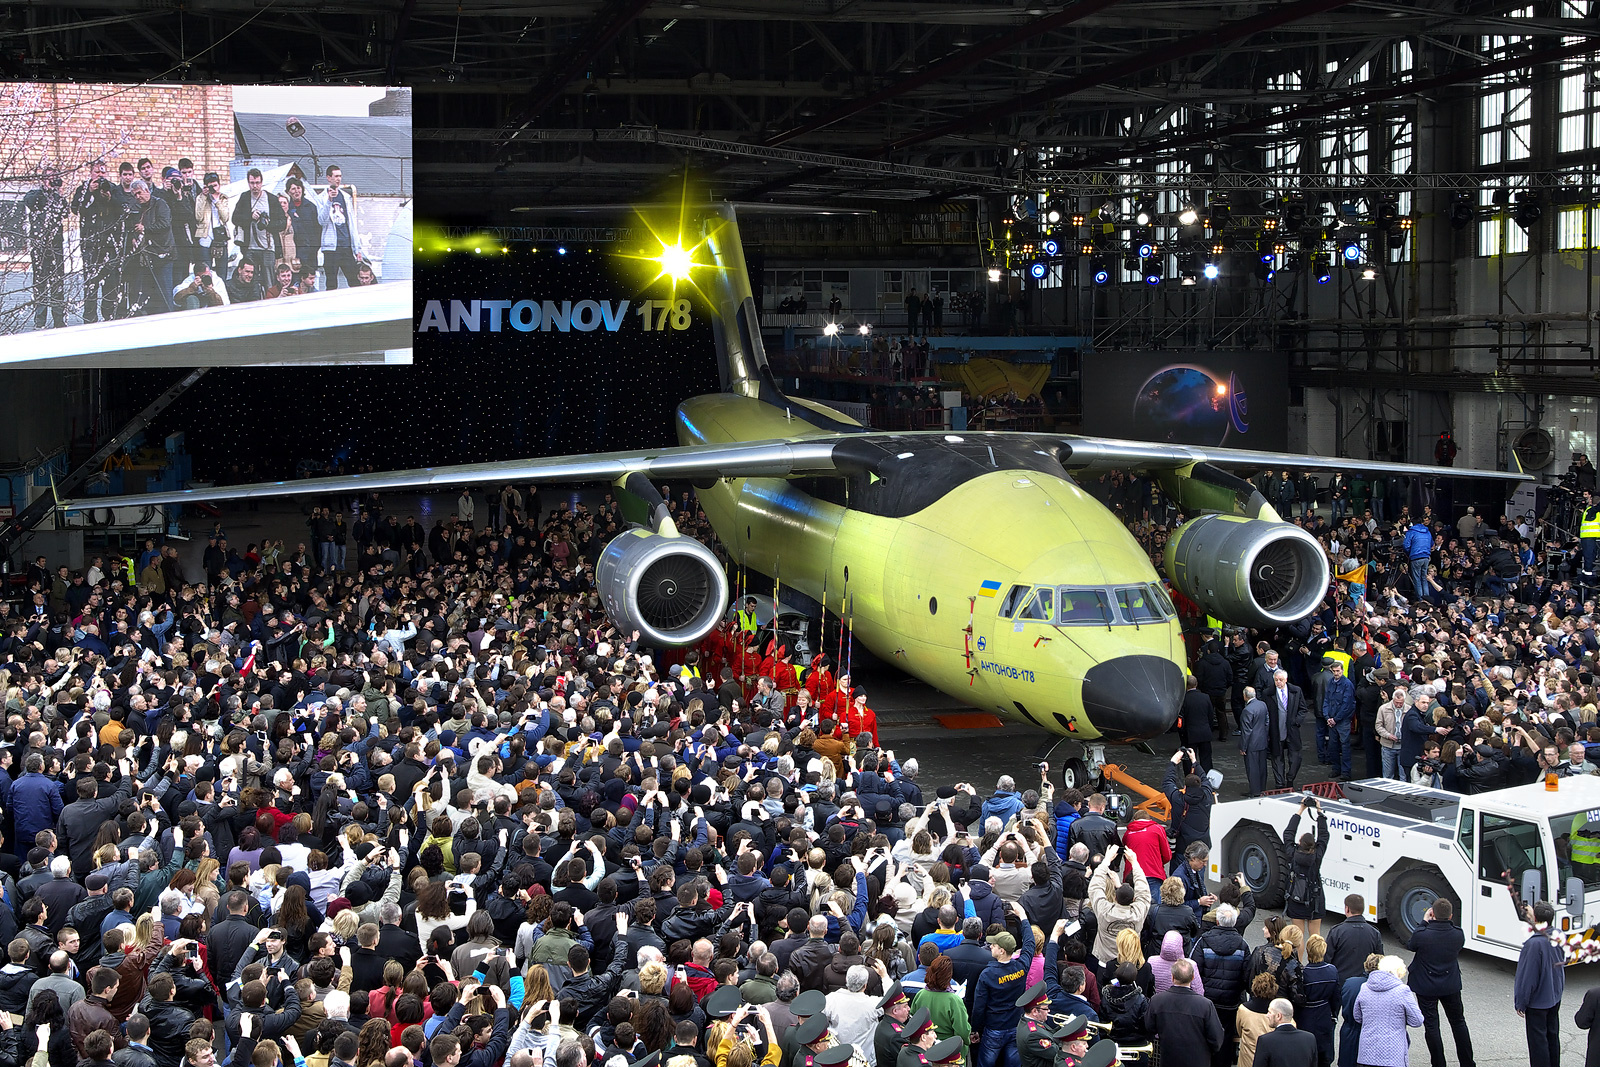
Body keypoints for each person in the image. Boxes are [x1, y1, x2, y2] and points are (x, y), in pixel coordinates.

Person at [1405, 897, 1472, 1067]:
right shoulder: (1458, 934)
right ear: (1450, 916)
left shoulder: (1423, 934)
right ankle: (1467, 1062)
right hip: (1450, 985)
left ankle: (1439, 1063)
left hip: (1426, 986)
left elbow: (1412, 945)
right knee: (1458, 1022)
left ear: (1432, 913)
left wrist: (1424, 922)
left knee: (1432, 1027)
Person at [1143, 958, 1223, 1067]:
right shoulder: (1205, 1005)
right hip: (1198, 1061)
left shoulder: (1157, 1001)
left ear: (1172, 977)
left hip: (1168, 1059)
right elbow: (1216, 1038)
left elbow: (1149, 1028)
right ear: (1192, 977)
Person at [1514, 900, 1564, 1067]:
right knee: (1552, 1037)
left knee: (1538, 1044)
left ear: (1536, 917)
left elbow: (1527, 978)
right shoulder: (1557, 935)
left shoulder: (1533, 944)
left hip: (1538, 1003)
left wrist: (1521, 1002)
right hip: (1554, 996)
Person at [22, 172, 70, 330]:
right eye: (48, 177)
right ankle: (40, 321)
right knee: (41, 283)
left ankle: (59, 321)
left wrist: (58, 194)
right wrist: (46, 190)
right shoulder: (34, 195)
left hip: (56, 246)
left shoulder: (58, 197)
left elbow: (65, 212)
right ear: (42, 179)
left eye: (53, 177)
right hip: (40, 247)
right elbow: (31, 202)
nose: (52, 180)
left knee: (58, 283)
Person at [1352, 957, 1421, 1067]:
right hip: (1393, 1055)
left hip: (1366, 1054)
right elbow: (1417, 1020)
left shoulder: (1365, 987)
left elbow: (1357, 1016)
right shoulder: (1402, 990)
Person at [1281, 800, 1330, 940]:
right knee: (1315, 936)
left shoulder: (1292, 853)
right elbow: (1324, 835)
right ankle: (1315, 961)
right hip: (1315, 899)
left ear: (1299, 843)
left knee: (1297, 936)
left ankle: (1298, 962)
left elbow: (1289, 833)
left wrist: (1301, 810)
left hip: (1296, 898)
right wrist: (1319, 812)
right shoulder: (1317, 856)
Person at [129, 180, 177, 314]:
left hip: (163, 253)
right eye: (134, 195)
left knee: (165, 291)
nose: (137, 197)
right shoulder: (138, 208)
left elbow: (164, 224)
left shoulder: (160, 204)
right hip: (147, 256)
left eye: (139, 193)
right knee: (151, 294)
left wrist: (146, 228)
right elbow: (134, 226)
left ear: (146, 190)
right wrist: (134, 236)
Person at [313, 163, 362, 289]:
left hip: (345, 245)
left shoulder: (345, 197)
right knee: (331, 282)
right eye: (335, 176)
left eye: (340, 176)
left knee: (354, 280)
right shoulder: (321, 198)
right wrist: (329, 201)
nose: (338, 179)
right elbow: (321, 221)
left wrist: (357, 249)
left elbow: (351, 223)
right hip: (331, 247)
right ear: (328, 178)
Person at [232, 167, 285, 281]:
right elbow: (234, 218)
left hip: (268, 247)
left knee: (269, 280)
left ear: (262, 183)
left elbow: (282, 223)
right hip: (250, 246)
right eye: (252, 183)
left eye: (257, 183)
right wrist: (250, 217)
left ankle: (269, 299)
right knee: (251, 280)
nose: (255, 186)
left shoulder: (272, 199)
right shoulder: (245, 197)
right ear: (248, 183)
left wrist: (267, 224)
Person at [1322, 896, 1382, 987]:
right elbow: (1380, 960)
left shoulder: (1337, 931)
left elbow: (1327, 960)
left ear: (1347, 909)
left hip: (1341, 984)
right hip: (1365, 984)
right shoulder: (1374, 933)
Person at [1265, 671, 1306, 788]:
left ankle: (1290, 778)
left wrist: (1296, 722)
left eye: (1281, 680)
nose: (1278, 682)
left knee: (1296, 758)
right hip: (1276, 731)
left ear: (1286, 680)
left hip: (1292, 731)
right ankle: (1280, 784)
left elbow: (1303, 708)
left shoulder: (1296, 691)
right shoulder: (1268, 693)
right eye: (1276, 680)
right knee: (1277, 758)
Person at [1319, 662, 1356, 781]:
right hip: (1332, 719)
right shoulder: (1330, 682)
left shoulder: (1347, 684)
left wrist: (1335, 719)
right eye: (1334, 671)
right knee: (1333, 745)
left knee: (1344, 746)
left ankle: (1346, 772)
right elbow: (1326, 700)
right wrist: (1327, 717)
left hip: (1342, 720)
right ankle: (1336, 769)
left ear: (1342, 670)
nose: (1336, 673)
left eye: (1338, 671)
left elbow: (1347, 705)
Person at [1253, 1000, 1318, 1067]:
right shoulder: (1310, 1038)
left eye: (1269, 1012)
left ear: (1278, 1016)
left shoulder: (1265, 1041)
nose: (1267, 1015)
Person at [1238, 688, 1270, 798]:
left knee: (1252, 768)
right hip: (1262, 740)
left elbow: (1246, 731)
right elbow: (1267, 722)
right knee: (1262, 767)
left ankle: (1255, 791)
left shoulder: (1247, 710)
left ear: (1245, 696)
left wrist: (1243, 747)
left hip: (1252, 743)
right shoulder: (1262, 705)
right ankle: (1262, 789)